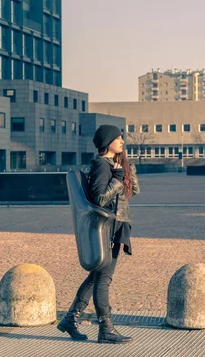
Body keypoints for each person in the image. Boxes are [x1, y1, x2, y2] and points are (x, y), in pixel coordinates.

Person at [58, 124, 140, 344]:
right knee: (103, 280)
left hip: (116, 225)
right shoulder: (101, 165)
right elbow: (100, 198)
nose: (122, 141)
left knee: (96, 277)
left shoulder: (113, 165)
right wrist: (117, 176)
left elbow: (135, 190)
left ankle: (70, 319)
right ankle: (106, 329)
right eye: (118, 138)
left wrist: (125, 169)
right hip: (108, 229)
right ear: (107, 141)